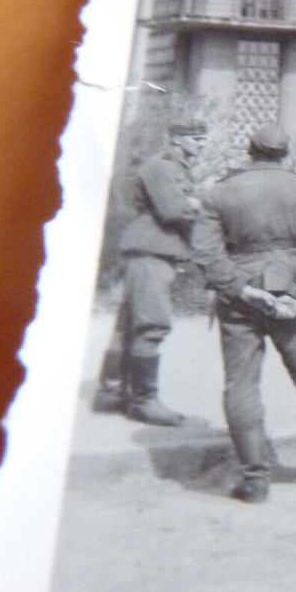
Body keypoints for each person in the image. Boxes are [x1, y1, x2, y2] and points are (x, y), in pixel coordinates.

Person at [191, 123, 296, 503]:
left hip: (240, 296)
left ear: (250, 151)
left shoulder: (218, 192)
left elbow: (206, 252)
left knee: (241, 385)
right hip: (293, 292)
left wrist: (240, 288)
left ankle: (255, 480)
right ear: (285, 153)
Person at [92, 119, 207, 426]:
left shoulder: (175, 168)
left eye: (202, 139)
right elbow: (174, 210)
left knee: (130, 324)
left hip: (152, 250)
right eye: (196, 139)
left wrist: (193, 202)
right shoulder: (162, 167)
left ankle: (111, 392)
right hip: (151, 251)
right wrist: (203, 205)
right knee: (151, 325)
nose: (201, 144)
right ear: (177, 139)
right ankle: (144, 400)